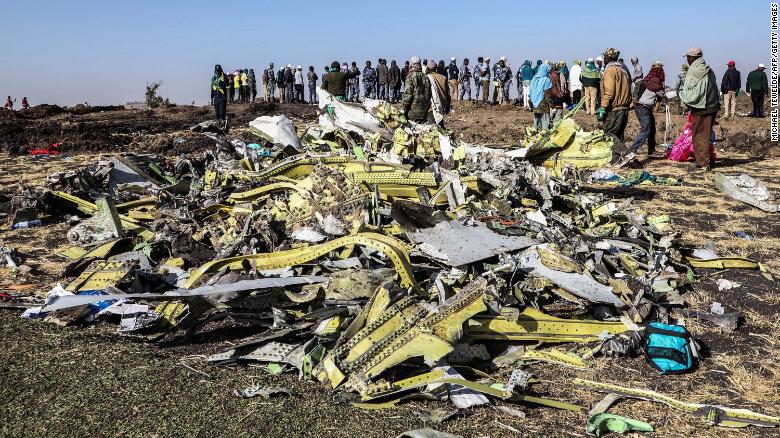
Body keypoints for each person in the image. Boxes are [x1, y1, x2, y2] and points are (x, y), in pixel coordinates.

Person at [680, 47, 720, 170]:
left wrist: (682, 95)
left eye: (688, 57)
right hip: (712, 105)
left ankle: (703, 164)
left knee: (699, 136)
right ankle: (706, 161)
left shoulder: (694, 70)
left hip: (702, 107)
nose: (687, 60)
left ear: (692, 58)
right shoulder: (707, 69)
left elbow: (690, 93)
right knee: (705, 135)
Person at [597, 48, 632, 161]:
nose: (604, 58)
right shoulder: (624, 70)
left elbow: (609, 92)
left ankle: (626, 154)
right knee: (619, 135)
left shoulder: (610, 70)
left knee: (609, 133)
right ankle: (617, 160)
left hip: (614, 108)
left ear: (609, 57)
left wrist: (602, 108)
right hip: (624, 108)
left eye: (605, 56)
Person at [630, 64, 666, 158]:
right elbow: (661, 95)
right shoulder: (656, 82)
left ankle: (651, 151)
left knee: (652, 129)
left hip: (643, 107)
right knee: (646, 129)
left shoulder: (647, 79)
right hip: (643, 108)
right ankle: (632, 150)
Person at [402, 56, 432, 123]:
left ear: (412, 64)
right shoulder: (425, 77)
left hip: (413, 112)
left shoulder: (410, 77)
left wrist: (403, 108)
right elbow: (429, 94)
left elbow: (408, 95)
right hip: (424, 111)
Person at [426, 60, 451, 126]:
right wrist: (448, 105)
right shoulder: (443, 78)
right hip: (441, 105)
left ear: (428, 68)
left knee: (433, 128)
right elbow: (448, 94)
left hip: (431, 107)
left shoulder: (427, 78)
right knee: (440, 124)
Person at [530, 64, 553, 130]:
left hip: (535, 104)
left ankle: (535, 135)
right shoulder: (546, 80)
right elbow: (547, 95)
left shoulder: (534, 78)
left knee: (536, 121)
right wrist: (551, 105)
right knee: (545, 122)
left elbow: (530, 92)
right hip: (543, 104)